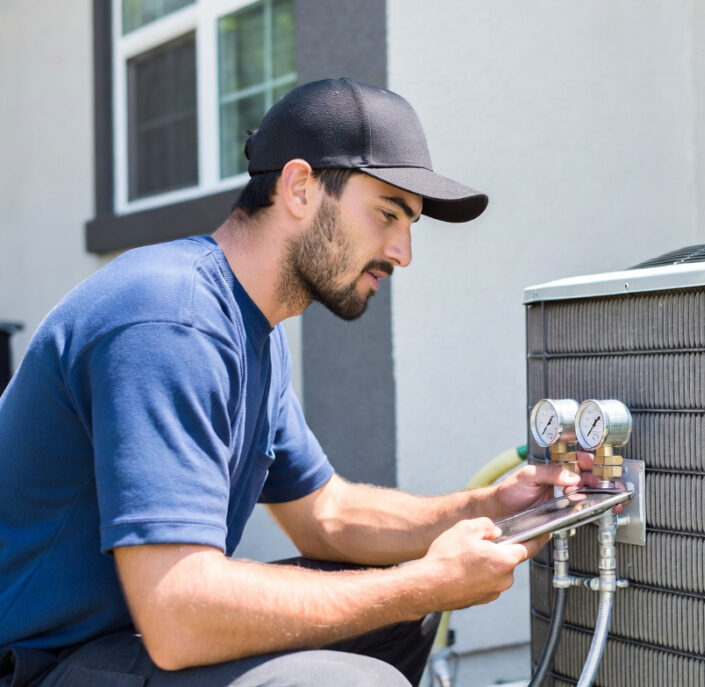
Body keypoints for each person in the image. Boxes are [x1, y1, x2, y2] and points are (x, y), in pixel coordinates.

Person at [0, 78, 592, 687]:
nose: (403, 252)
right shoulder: (170, 320)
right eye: (388, 214)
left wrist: (489, 505)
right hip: (38, 663)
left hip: (126, 642)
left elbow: (326, 514)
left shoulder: (250, 329)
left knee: (403, 611)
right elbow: (179, 612)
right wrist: (425, 581)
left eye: (410, 224)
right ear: (300, 188)